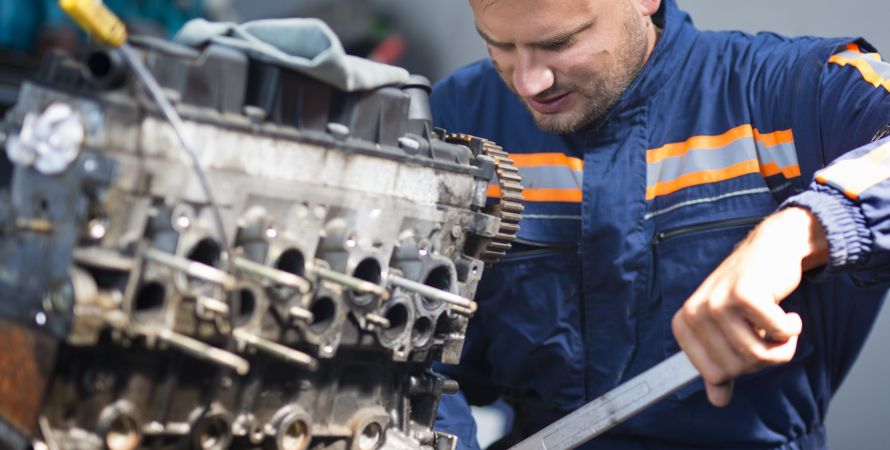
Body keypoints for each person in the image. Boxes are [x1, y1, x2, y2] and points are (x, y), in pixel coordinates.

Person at [430, 0, 890, 449]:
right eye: (500, 46)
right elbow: (417, 356)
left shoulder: (793, 91)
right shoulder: (460, 119)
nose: (530, 81)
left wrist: (793, 234)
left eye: (560, 42)